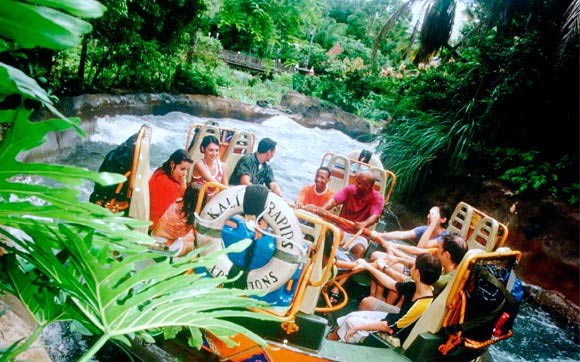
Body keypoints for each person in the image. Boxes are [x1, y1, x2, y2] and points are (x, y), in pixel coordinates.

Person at [328, 253, 441, 344]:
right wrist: (369, 267)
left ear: (417, 273)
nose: (411, 268)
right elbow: (390, 283)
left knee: (351, 322)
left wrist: (358, 327)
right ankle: (330, 339)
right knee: (352, 315)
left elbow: (389, 327)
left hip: (394, 335)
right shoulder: (417, 286)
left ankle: (336, 347)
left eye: (414, 266)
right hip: (391, 320)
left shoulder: (421, 305)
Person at [359, 234, 468, 312]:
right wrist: (398, 259)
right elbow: (420, 265)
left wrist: (384, 267)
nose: (437, 250)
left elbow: (402, 281)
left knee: (367, 302)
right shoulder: (446, 268)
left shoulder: (440, 280)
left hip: (411, 312)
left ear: (447, 255)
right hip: (411, 300)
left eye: (439, 248)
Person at [317, 170, 384, 258]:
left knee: (359, 250)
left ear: (369, 186)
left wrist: (363, 224)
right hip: (341, 229)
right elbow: (334, 200)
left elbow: (375, 217)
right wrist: (323, 209)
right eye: (357, 182)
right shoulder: (350, 189)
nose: (356, 185)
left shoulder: (377, 198)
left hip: (359, 234)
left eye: (359, 184)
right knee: (323, 239)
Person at [149, 149, 193, 230]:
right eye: (182, 169)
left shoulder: (161, 171)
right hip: (156, 225)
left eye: (187, 170)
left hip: (156, 221)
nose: (185, 174)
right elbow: (179, 207)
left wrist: (182, 181)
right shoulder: (166, 182)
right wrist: (183, 183)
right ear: (172, 164)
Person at [152, 183, 201, 251]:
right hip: (163, 244)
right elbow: (197, 235)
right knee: (192, 247)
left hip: (155, 235)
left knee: (189, 238)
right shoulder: (190, 216)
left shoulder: (178, 201)